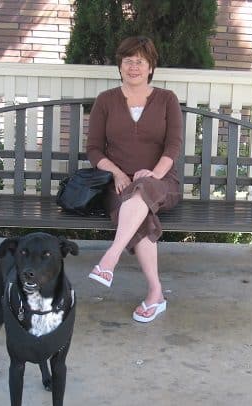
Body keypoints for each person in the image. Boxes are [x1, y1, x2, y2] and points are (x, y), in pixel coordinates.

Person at [86, 36, 183, 323]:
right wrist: (116, 172)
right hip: (119, 186)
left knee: (142, 191)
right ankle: (155, 293)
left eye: (140, 61)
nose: (133, 66)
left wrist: (153, 173)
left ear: (151, 67)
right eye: (127, 61)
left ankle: (110, 258)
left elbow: (173, 146)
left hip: (162, 182)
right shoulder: (106, 101)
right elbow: (93, 149)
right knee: (138, 210)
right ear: (119, 67)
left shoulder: (167, 100)